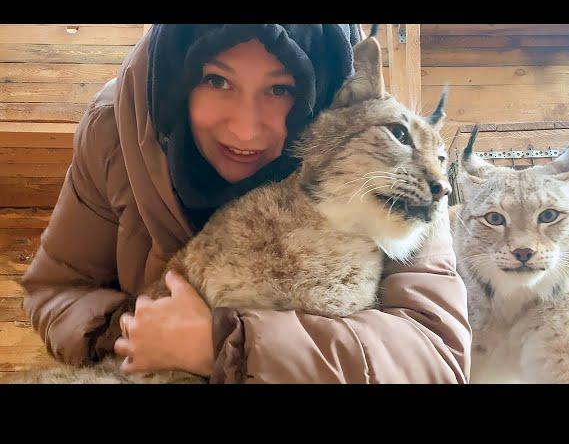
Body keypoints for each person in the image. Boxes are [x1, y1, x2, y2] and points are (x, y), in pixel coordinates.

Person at [20, 24, 471, 383]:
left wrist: (226, 346)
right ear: (178, 79)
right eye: (217, 80)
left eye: (280, 89)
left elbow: (436, 357)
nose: (246, 131)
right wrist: (140, 331)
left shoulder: (386, 162)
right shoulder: (117, 127)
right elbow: (56, 290)